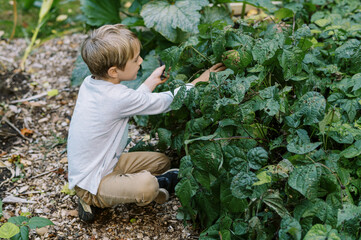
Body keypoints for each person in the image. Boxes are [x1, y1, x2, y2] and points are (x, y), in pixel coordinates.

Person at [67, 24, 225, 222]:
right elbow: (165, 102)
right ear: (114, 71)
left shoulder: (92, 83)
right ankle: (90, 199)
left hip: (105, 162)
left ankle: (152, 183)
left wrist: (150, 82)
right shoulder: (116, 98)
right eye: (135, 59)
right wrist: (198, 82)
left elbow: (129, 101)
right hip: (92, 182)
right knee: (147, 186)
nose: (141, 61)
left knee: (161, 162)